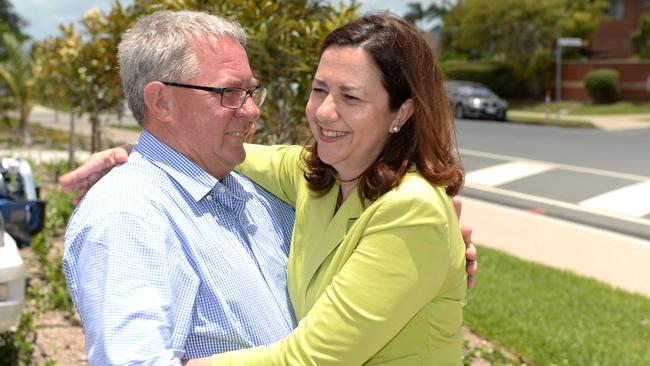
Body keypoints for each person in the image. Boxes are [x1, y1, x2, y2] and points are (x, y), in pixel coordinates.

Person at [61, 10, 477, 365]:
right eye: (229, 93)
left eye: (351, 96)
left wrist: (435, 253)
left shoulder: (399, 206)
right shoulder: (129, 217)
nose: (253, 110)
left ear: (401, 112)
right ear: (162, 102)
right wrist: (131, 159)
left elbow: (310, 357)